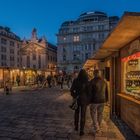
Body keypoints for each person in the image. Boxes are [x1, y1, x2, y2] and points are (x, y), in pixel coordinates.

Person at [70, 69, 89, 136]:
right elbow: (89, 92)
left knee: (76, 113)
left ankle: (76, 126)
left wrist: (74, 96)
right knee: (83, 115)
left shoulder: (75, 80)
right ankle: (81, 130)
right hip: (84, 100)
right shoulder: (87, 81)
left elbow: (71, 90)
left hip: (77, 99)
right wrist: (88, 100)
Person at [89, 69, 108, 134]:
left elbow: (90, 93)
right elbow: (106, 92)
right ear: (99, 74)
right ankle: (98, 126)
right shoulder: (104, 81)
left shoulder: (92, 81)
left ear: (94, 74)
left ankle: (97, 128)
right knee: (100, 114)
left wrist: (89, 101)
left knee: (93, 114)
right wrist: (106, 100)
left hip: (94, 101)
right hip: (102, 100)